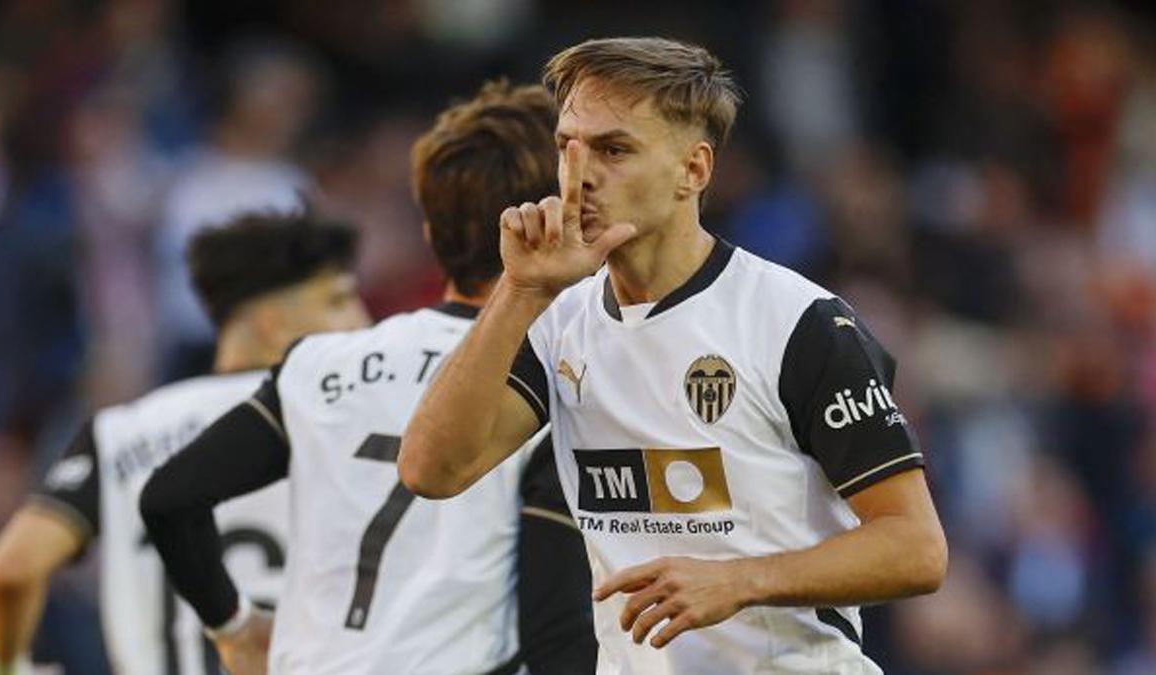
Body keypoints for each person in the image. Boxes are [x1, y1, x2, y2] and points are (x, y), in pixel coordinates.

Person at [399, 37, 948, 674]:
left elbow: (915, 549)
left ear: (693, 170)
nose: (581, 176)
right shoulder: (556, 321)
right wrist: (519, 290)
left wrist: (739, 580)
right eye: (566, 148)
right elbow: (431, 470)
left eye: (613, 150)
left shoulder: (796, 320)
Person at [140, 81, 597, 675]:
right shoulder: (543, 384)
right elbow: (556, 627)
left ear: (431, 232)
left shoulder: (319, 364)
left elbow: (170, 497)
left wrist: (235, 626)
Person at [0, 210, 368, 675]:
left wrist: (5, 665)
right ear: (271, 324)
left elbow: (13, 568)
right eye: (338, 301)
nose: (362, 320)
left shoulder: (119, 434)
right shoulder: (349, 419)